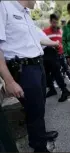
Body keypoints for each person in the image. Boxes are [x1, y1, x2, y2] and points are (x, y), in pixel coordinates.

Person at [0, 1, 59, 152]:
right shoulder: (4, 6)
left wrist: (56, 43)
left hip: (38, 66)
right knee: (34, 110)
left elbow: (39, 38)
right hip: (23, 69)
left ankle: (40, 134)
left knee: (39, 107)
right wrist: (9, 81)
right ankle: (39, 147)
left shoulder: (25, 13)